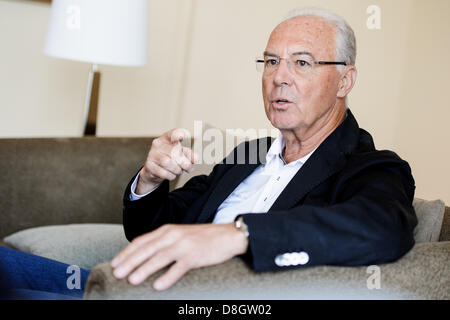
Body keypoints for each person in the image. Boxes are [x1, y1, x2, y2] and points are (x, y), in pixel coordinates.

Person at [0, 7, 417, 299]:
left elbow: (381, 228)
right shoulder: (247, 156)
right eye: (271, 62)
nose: (279, 78)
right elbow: (152, 230)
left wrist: (238, 234)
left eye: (302, 63)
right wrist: (150, 181)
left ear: (345, 80)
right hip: (126, 288)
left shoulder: (371, 166)